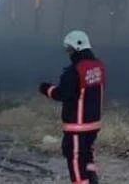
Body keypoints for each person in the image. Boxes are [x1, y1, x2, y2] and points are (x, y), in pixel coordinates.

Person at [39, 30, 105, 184]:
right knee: (87, 158)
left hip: (77, 127)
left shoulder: (74, 71)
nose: (68, 53)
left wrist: (46, 88)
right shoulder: (97, 66)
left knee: (75, 160)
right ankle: (92, 180)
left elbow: (63, 94)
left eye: (69, 49)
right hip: (93, 124)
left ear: (76, 48)